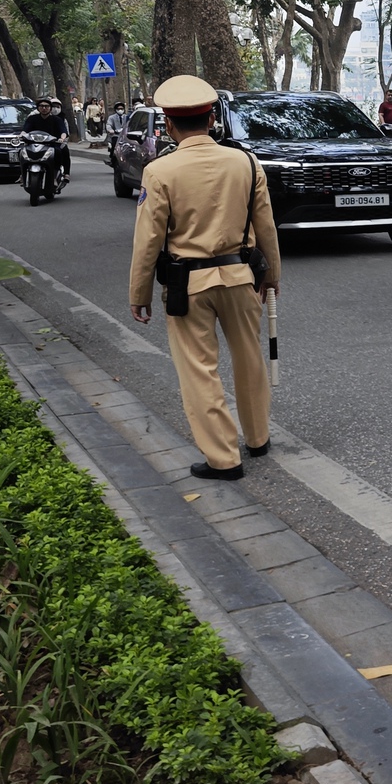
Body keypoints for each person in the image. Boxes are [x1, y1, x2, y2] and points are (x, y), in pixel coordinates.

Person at [128, 76, 282, 481]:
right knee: (250, 358)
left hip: (188, 285)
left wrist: (139, 292)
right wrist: (274, 276)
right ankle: (258, 438)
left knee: (199, 370)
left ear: (169, 124)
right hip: (241, 275)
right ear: (212, 118)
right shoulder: (246, 162)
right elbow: (266, 227)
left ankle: (223, 458)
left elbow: (148, 241)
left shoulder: (159, 171)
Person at [21, 97, 71, 178]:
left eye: (46, 106)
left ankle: (61, 174)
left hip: (53, 144)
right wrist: (21, 135)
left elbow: (63, 131)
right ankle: (23, 175)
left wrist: (62, 138)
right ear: (38, 108)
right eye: (41, 106)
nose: (44, 108)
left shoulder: (57, 119)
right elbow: (25, 130)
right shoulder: (32, 118)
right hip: (35, 143)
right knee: (22, 151)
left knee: (61, 151)